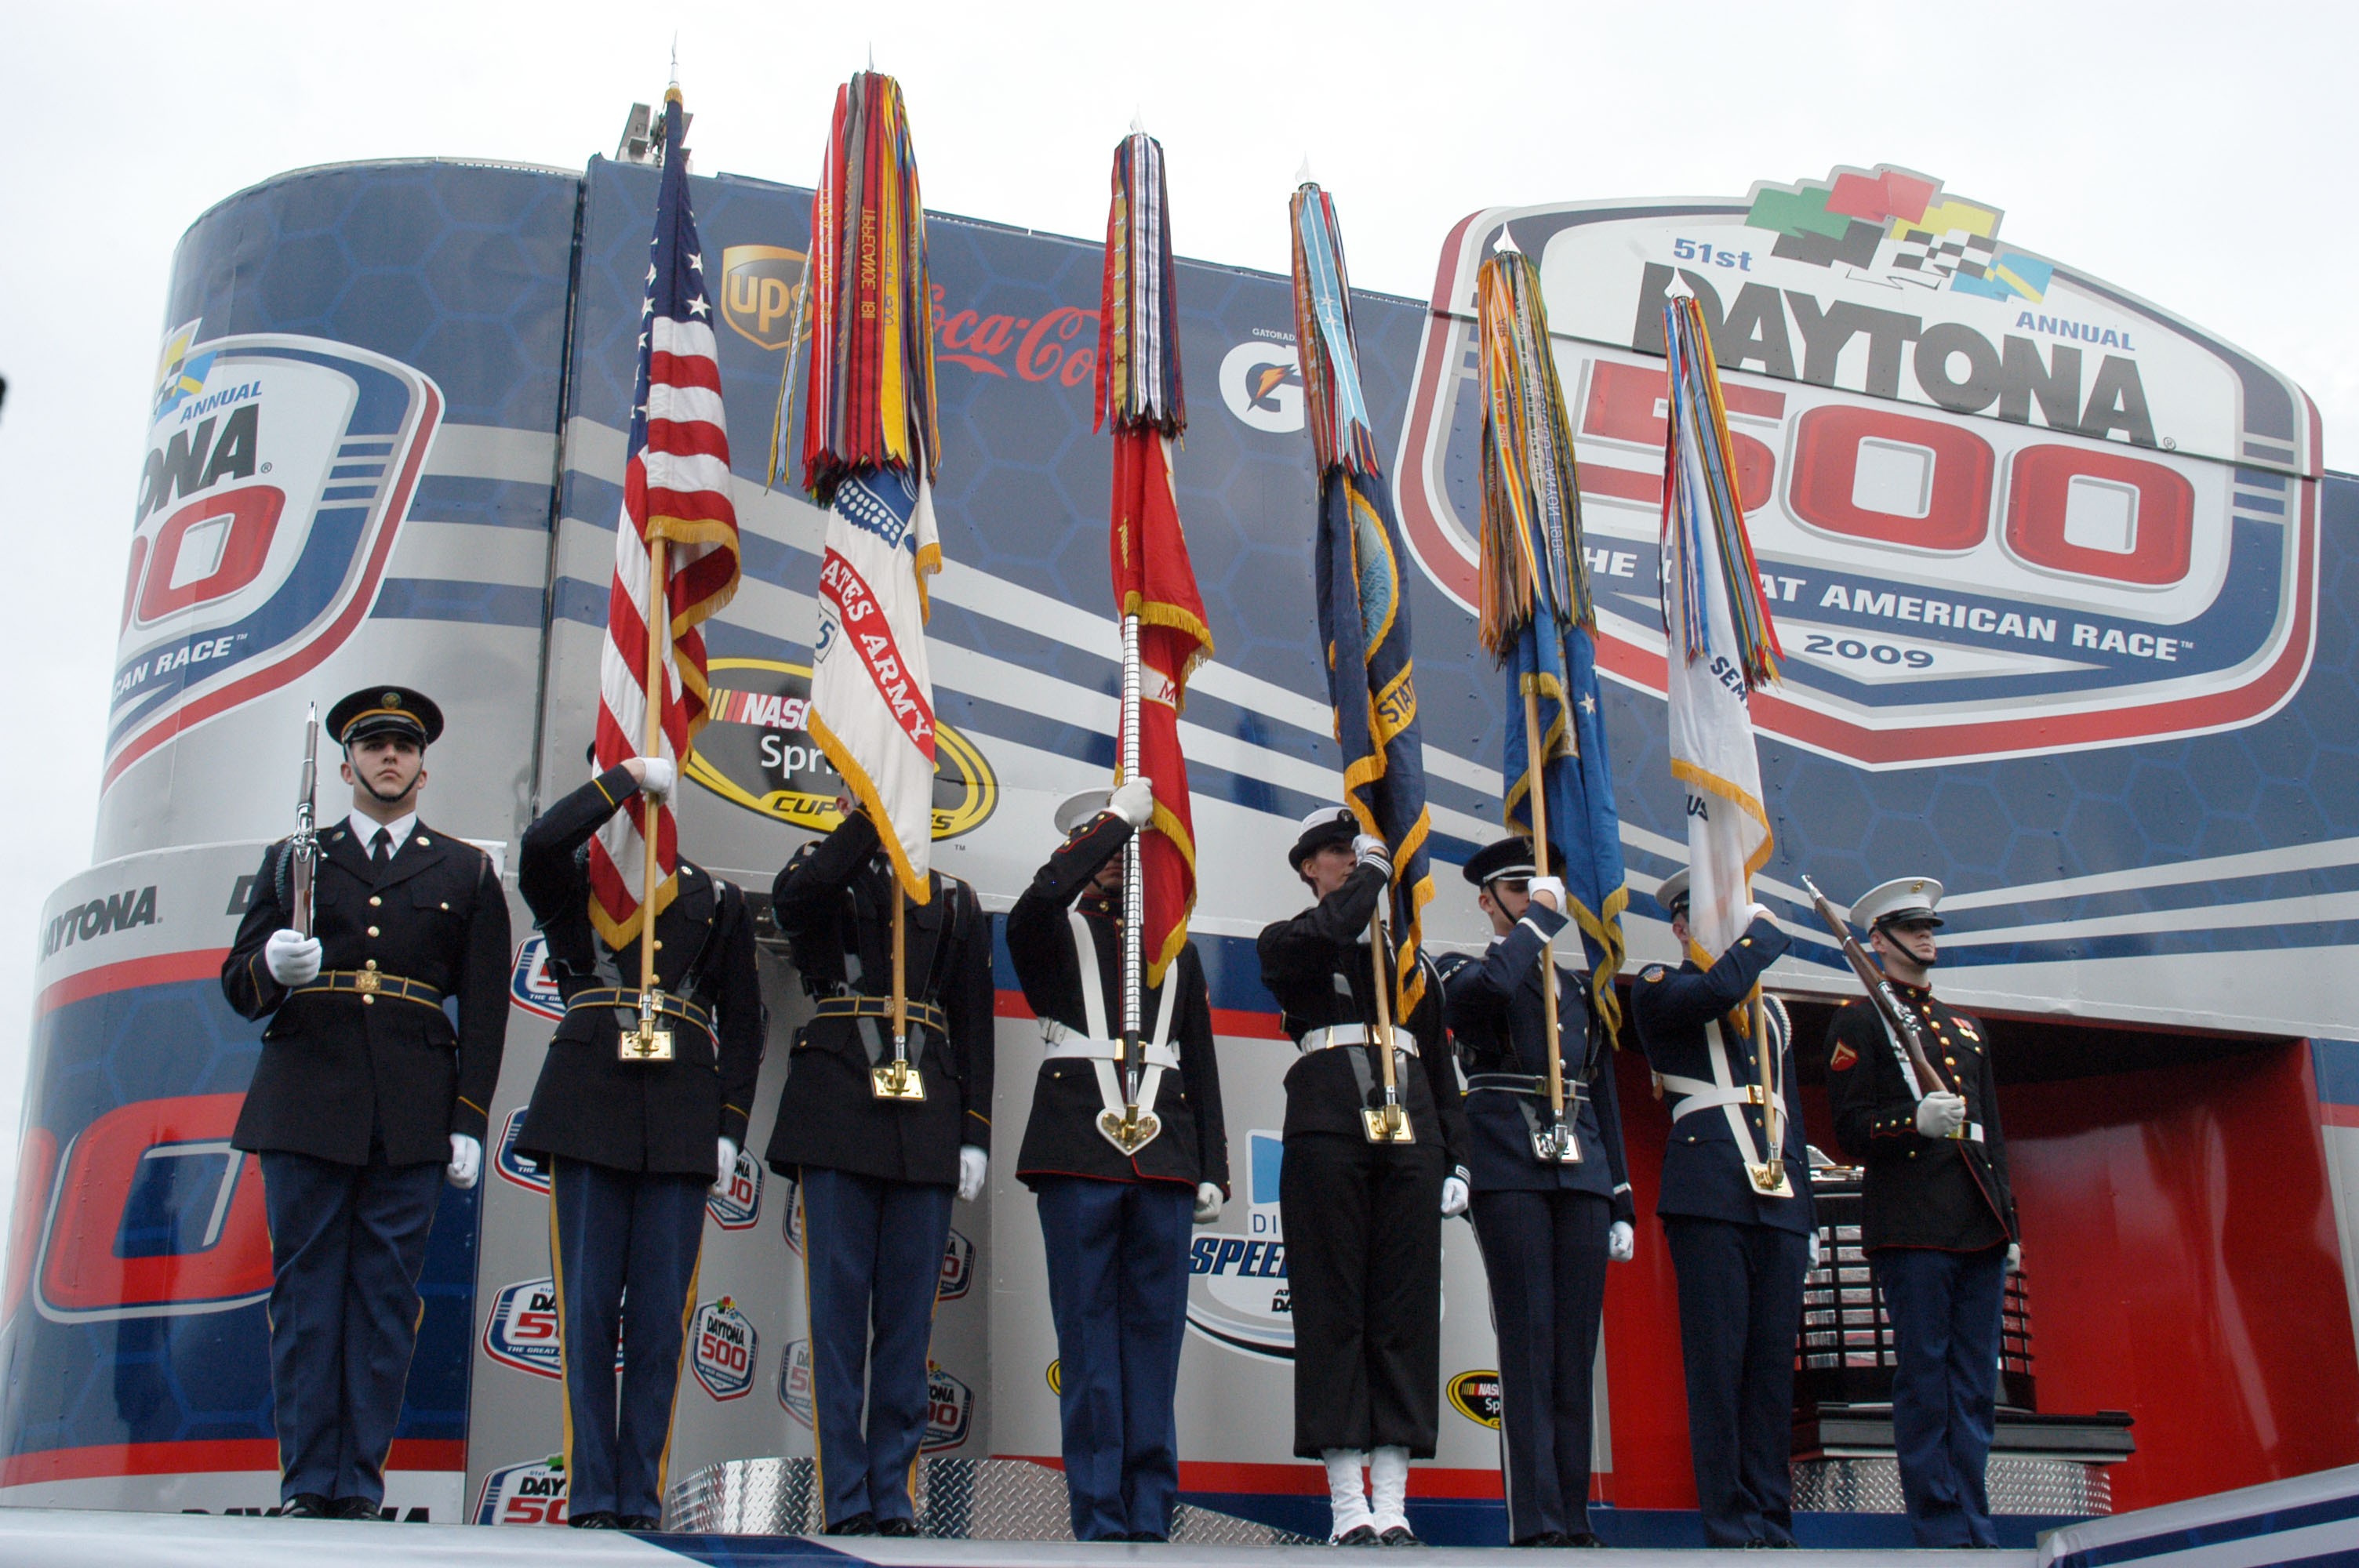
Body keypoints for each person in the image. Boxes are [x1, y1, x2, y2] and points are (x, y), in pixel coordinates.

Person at [223, 685, 509, 1521]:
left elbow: (485, 1009)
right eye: (374, 745)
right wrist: (274, 963)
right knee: (307, 1296)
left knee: (384, 1301)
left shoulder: (466, 869)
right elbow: (240, 987)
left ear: (424, 765)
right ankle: (308, 1481)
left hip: (414, 1106)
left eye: (404, 745)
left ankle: (358, 1481)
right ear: (345, 763)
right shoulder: (294, 856)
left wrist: (468, 1118)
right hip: (307, 1097)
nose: (390, 757)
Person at [513, 751, 764, 1531]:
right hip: (587, 1106)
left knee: (659, 1322)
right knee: (587, 1313)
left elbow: (747, 1024)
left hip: (683, 1114)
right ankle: (591, 1494)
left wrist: (729, 1125)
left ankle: (639, 1495)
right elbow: (537, 846)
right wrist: (617, 777)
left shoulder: (715, 897)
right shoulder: (574, 879)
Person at [1006, 780, 1230, 1542]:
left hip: (1163, 1160)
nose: (1117, 862)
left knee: (1152, 1348)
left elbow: (1198, 1064)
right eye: (1104, 849)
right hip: (1077, 1154)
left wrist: (1214, 1168)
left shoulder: (1175, 950)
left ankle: (1148, 1515)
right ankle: (1099, 1518)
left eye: (1130, 849)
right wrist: (1112, 824)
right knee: (1088, 1341)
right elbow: (1038, 899)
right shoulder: (1051, 930)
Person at [766, 800, 995, 1537]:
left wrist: (975, 1135)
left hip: (925, 1119)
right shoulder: (817, 870)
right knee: (835, 1325)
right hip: (836, 1111)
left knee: (906, 1327)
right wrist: (870, 818)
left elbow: (975, 1025)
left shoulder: (954, 898)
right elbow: (798, 903)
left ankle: (894, 1493)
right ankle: (847, 1496)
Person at [1256, 807, 1470, 1547]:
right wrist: (1375, 875)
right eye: (1338, 852)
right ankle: (1348, 1502)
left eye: (1360, 850)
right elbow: (1328, 933)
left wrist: (1458, 1158)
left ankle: (1396, 1502)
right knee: (1334, 1311)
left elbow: (1440, 1071)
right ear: (1310, 866)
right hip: (1327, 1128)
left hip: (1409, 1136)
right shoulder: (1288, 940)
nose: (1352, 860)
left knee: (1403, 1318)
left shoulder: (1414, 967)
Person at [1438, 837, 1635, 1548]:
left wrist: (1620, 1198)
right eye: (1516, 890)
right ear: (1489, 901)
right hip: (1508, 1163)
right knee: (1529, 1340)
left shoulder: (1579, 990)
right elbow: (1482, 999)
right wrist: (1535, 926)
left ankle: (1574, 1515)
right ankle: (1538, 1518)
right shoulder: (1469, 966)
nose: (1532, 898)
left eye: (1537, 888)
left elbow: (1602, 1091)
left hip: (1579, 1169)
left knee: (1574, 1348)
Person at [1823, 877, 2019, 1550]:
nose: (1927, 936)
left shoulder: (1967, 1029)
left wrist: (2009, 1225)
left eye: (1931, 926)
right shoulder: (1859, 1021)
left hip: (1976, 1222)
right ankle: (1940, 1525)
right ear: (1878, 941)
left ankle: (1974, 1519)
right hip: (1913, 1224)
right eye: (1912, 928)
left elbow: (1991, 1133)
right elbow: (1849, 1130)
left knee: (1972, 1385)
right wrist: (1913, 1120)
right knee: (1926, 1378)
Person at [1629, 869, 1814, 1549]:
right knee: (1718, 1365)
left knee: (1770, 1372)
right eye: (1708, 919)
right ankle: (1731, 1524)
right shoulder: (1660, 986)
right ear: (1681, 928)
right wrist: (1761, 939)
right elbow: (1713, 990)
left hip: (1779, 1199)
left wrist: (1810, 1212)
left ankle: (1772, 1518)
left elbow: (1786, 1114)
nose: (1727, 928)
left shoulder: (1769, 1012)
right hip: (1709, 1194)